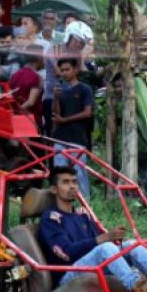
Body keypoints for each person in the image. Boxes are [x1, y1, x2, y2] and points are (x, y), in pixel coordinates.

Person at [38, 166, 147, 292]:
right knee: (105, 248)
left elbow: (98, 242)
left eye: (74, 181)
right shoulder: (51, 219)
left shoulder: (82, 214)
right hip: (67, 274)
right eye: (65, 182)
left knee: (132, 245)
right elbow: (67, 253)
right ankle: (135, 285)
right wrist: (104, 238)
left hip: (92, 266)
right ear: (53, 189)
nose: (72, 186)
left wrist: (113, 237)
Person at [52, 57, 94, 199]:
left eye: (67, 70)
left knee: (79, 172)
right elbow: (56, 114)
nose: (64, 73)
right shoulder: (60, 90)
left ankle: (86, 204)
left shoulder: (85, 89)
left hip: (77, 138)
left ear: (75, 70)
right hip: (60, 137)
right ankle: (61, 203)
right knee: (59, 172)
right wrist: (56, 98)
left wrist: (65, 120)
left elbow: (87, 112)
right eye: (62, 70)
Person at [9, 44, 43, 126]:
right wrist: (19, 110)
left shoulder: (14, 75)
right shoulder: (36, 77)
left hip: (15, 120)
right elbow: (31, 102)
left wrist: (15, 112)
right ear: (39, 58)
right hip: (31, 120)